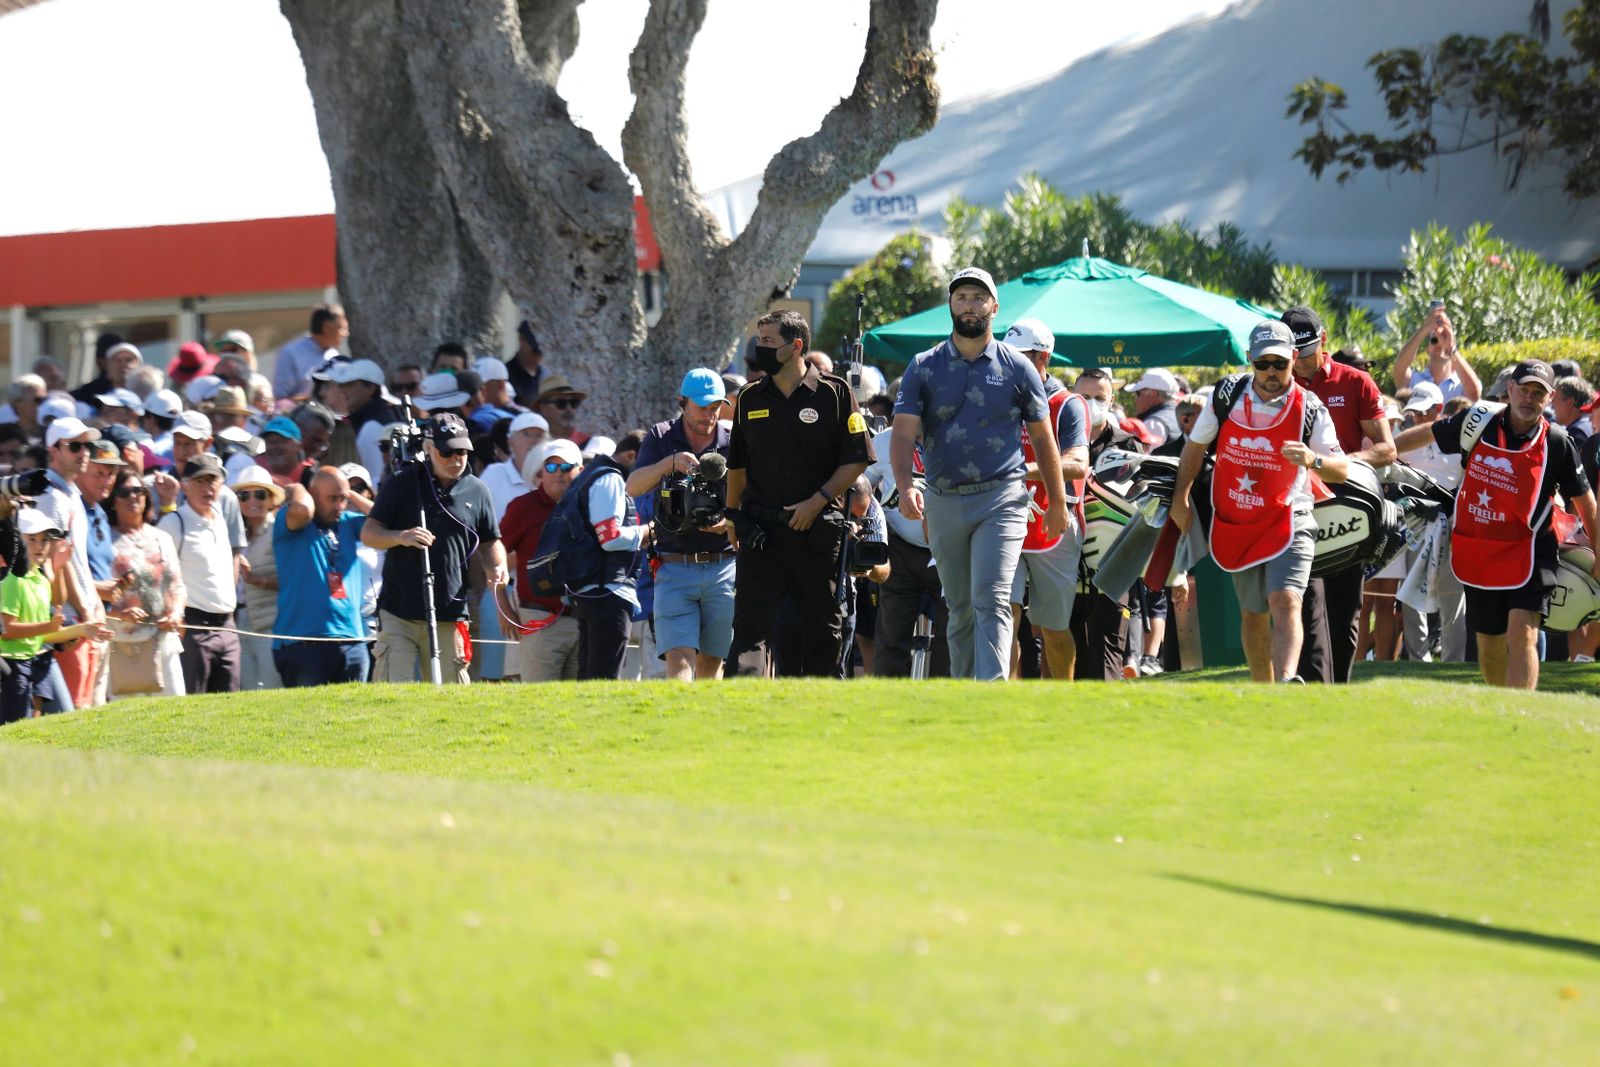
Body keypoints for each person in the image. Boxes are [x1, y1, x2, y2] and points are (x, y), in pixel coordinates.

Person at [891, 267, 1066, 682]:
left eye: (978, 297)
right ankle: (965, 694)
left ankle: (991, 691)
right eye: (962, 297)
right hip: (944, 497)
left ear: (994, 306)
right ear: (951, 305)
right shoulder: (923, 366)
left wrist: (1058, 502)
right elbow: (901, 434)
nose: (969, 304)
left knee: (992, 599)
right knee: (959, 606)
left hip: (1002, 498)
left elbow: (1044, 440)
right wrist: (904, 488)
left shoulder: (1018, 368)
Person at [1393, 359, 1599, 689]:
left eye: (1538, 393)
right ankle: (1500, 701)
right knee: (1489, 647)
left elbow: (1586, 502)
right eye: (1525, 390)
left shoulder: (1557, 443)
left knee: (1523, 631)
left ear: (1548, 399)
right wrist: (1384, 450)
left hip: (1532, 550)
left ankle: (1520, 712)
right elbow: (1431, 433)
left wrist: (1599, 553)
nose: (1530, 398)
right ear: (1510, 391)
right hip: (1479, 550)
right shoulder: (1479, 420)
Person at [1171, 321, 1352, 684]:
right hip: (1239, 519)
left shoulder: (1310, 407)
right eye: (1263, 363)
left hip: (1291, 518)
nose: (1271, 371)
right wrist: (1182, 496)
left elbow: (1341, 469)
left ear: (1294, 358)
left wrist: (1312, 460)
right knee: (1253, 614)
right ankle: (1263, 691)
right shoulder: (1226, 396)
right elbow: (1195, 447)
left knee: (1286, 601)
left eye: (1280, 363)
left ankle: (1285, 683)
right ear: (1251, 359)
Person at [727, 310, 872, 677]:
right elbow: (737, 467)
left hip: (817, 532)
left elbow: (857, 459)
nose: (759, 349)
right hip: (760, 532)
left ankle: (820, 715)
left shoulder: (835, 393)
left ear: (796, 347)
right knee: (748, 633)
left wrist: (817, 501)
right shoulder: (748, 398)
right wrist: (732, 516)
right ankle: (737, 715)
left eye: (768, 342)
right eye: (758, 340)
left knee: (823, 630)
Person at [1281, 305, 1396, 685]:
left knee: (1344, 611)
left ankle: (1338, 691)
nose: (1300, 363)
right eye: (1293, 355)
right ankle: (1303, 686)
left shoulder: (1355, 381)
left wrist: (1335, 463)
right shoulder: (1272, 383)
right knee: (1296, 604)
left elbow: (1386, 449)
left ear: (1324, 340)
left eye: (1308, 352)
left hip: (1345, 510)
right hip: (1291, 511)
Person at [363, 413, 505, 684]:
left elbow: (490, 541)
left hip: (449, 610)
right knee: (394, 693)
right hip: (399, 611)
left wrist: (497, 566)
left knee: (450, 696)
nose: (456, 459)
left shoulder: (477, 490)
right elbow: (370, 533)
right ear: (428, 449)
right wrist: (401, 536)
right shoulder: (403, 482)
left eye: (462, 451)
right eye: (447, 452)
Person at [627, 368, 735, 681]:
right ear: (682, 402)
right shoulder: (661, 436)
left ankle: (701, 727)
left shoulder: (733, 440)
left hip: (723, 565)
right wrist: (669, 464)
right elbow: (632, 486)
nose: (710, 415)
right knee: (679, 659)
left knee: (711, 666)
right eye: (702, 407)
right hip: (674, 566)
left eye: (715, 407)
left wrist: (726, 523)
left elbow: (754, 498)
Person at [1008, 379, 1091, 680]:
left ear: (1043, 357)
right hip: (1004, 521)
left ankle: (1060, 701)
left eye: (1025, 353)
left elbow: (1078, 464)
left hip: (1053, 526)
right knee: (1005, 616)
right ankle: (1000, 704)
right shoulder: (996, 394)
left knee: (1053, 629)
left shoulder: (1067, 403)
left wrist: (1018, 470)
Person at [2, 509, 112, 722]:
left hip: (32, 659)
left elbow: (44, 634)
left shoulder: (41, 580)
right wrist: (47, 627)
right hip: (11, 666)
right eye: (32, 539)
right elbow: (7, 631)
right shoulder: (11, 581)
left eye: (44, 540)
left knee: (38, 726)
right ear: (17, 539)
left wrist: (82, 629)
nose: (39, 546)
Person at [274, 467, 374, 686]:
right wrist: (297, 488)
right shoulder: (291, 520)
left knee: (356, 718)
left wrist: (350, 494)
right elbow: (301, 508)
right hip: (303, 644)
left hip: (352, 641)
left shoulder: (348, 521)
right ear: (313, 494)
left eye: (342, 499)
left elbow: (386, 520)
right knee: (312, 718)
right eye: (332, 498)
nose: (339, 506)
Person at [34, 416, 108, 708]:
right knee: (70, 716)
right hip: (66, 621)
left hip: (82, 615)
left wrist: (94, 605)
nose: (84, 453)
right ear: (54, 451)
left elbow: (76, 560)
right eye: (75, 446)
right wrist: (83, 612)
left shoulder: (71, 494)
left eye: (86, 446)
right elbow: (56, 562)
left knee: (83, 711)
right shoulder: (51, 497)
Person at [865, 424, 949, 677]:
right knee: (891, 634)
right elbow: (861, 487)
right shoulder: (883, 441)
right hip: (900, 551)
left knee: (952, 636)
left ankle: (945, 708)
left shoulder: (956, 434)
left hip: (950, 550)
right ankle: (889, 706)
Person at [499, 440, 583, 681]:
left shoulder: (589, 505)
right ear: (541, 473)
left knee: (582, 704)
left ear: (580, 470)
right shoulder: (522, 508)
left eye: (566, 467)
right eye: (551, 468)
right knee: (539, 700)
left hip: (584, 619)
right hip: (539, 620)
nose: (559, 473)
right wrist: (503, 609)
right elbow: (494, 557)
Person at [158, 453, 241, 694]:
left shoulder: (220, 520)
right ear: (184, 484)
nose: (208, 487)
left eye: (212, 480)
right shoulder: (174, 523)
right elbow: (158, 574)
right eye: (200, 481)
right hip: (193, 627)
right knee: (193, 705)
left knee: (231, 709)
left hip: (227, 625)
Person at [105, 469, 186, 697]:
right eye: (124, 492)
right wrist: (120, 613)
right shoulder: (103, 540)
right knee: (127, 717)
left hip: (164, 639)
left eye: (138, 490)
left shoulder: (162, 538)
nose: (133, 496)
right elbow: (96, 590)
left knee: (175, 712)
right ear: (112, 500)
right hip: (124, 643)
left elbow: (178, 585)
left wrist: (177, 613)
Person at [233, 467, 284, 690]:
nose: (252, 500)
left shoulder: (279, 530)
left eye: (260, 494)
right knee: (247, 693)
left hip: (271, 623)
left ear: (271, 500)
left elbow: (293, 579)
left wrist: (256, 579)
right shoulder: (234, 534)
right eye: (244, 495)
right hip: (238, 621)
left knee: (273, 689)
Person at [1392, 303, 1481, 403]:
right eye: (1434, 340)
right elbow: (1399, 368)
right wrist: (1424, 329)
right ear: (1427, 350)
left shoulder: (1460, 384)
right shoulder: (1415, 379)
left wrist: (1451, 348)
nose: (1439, 343)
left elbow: (1474, 392)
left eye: (1444, 337)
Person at [274, 305, 348, 404]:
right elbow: (281, 399)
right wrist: (315, 399)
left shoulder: (335, 356)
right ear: (327, 327)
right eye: (341, 328)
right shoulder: (291, 353)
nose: (345, 333)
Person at [1123, 368, 1183, 446]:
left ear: (1152, 395)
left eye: (1138, 394)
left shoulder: (1154, 424)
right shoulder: (1180, 414)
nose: (1135, 399)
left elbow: (1142, 457)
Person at [71, 341, 143, 406]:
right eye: (118, 361)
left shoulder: (147, 397)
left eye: (128, 360)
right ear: (108, 369)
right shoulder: (90, 398)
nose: (123, 364)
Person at [535, 374, 590, 449]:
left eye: (573, 403)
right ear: (544, 408)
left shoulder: (587, 444)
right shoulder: (534, 443)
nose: (569, 408)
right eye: (561, 403)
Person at [1551, 376, 1595, 445]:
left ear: (1569, 402)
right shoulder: (1590, 425)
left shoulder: (1577, 433)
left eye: (1554, 401)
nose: (1552, 407)